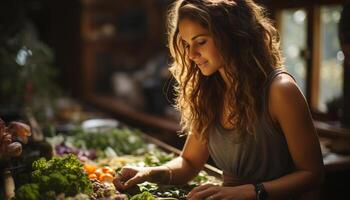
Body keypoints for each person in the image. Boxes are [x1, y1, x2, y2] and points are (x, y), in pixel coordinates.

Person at [113, 0, 324, 199]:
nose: (191, 54)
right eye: (186, 45)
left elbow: (312, 174)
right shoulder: (209, 92)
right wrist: (148, 172)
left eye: (201, 42)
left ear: (232, 36)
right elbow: (189, 162)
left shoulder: (280, 90)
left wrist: (250, 192)